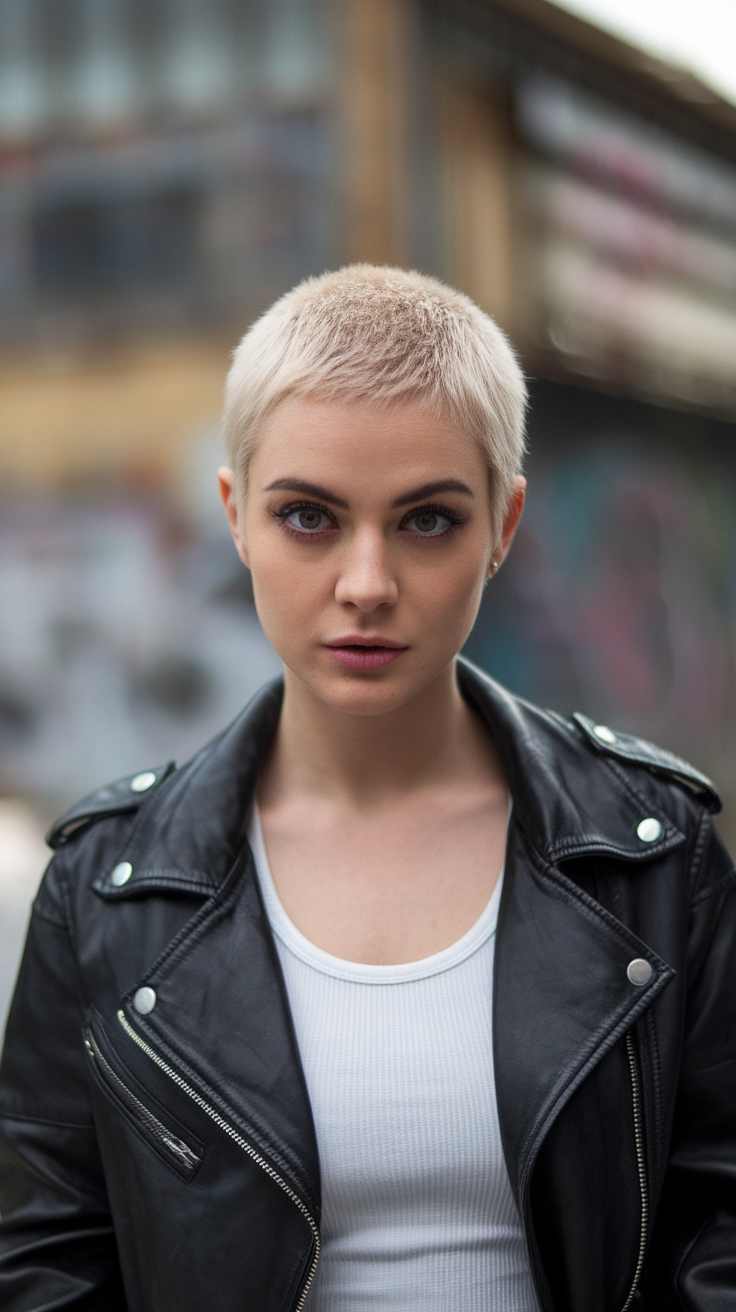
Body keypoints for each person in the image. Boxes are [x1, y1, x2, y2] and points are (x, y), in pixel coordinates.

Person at [0, 265, 734, 1312]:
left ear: (505, 526)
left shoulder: (655, 856)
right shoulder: (106, 891)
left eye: (426, 520)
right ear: (235, 515)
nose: (366, 583)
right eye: (308, 517)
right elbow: (46, 1259)